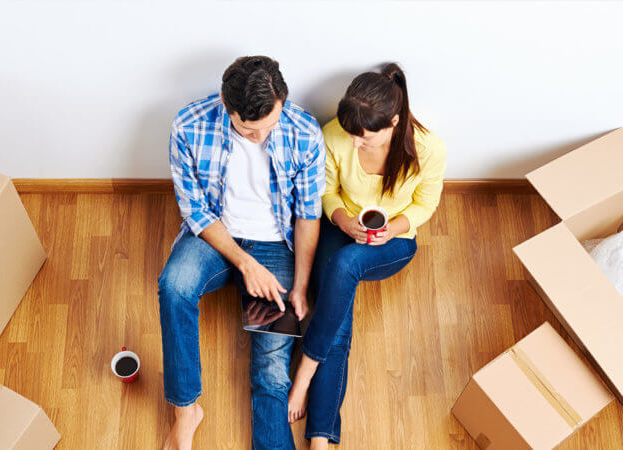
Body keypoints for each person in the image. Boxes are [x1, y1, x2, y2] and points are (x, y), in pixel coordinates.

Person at [158, 55, 326, 450]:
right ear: (226, 105)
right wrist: (245, 264)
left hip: (276, 246)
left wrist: (300, 287)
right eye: (249, 130)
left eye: (270, 125)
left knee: (271, 367)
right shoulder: (188, 126)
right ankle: (185, 412)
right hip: (215, 235)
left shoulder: (304, 132)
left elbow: (308, 214)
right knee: (174, 286)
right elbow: (196, 211)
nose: (260, 137)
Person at [286, 63, 447, 448]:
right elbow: (325, 193)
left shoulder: (428, 149)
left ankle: (305, 372)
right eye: (351, 135)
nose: (356, 144)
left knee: (345, 265)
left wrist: (393, 228)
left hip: (394, 241)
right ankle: (321, 438)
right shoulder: (334, 136)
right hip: (341, 228)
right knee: (337, 314)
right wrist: (343, 222)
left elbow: (425, 205)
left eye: (366, 138)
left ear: (394, 122)